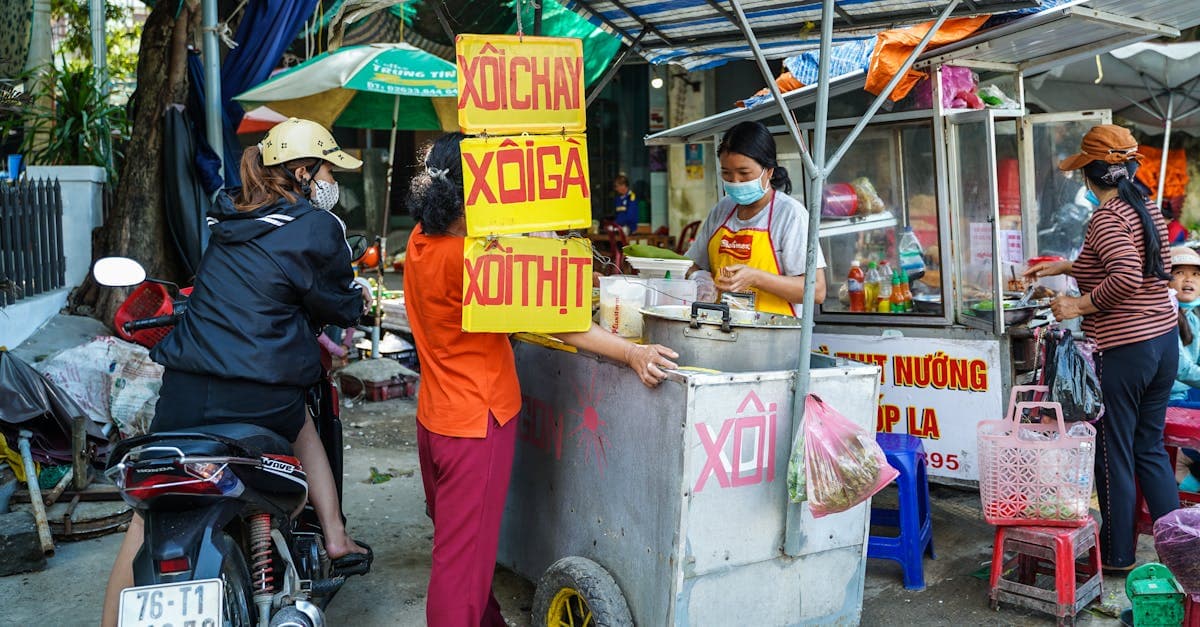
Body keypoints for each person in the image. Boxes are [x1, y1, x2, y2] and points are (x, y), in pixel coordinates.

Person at [101, 118, 372, 626]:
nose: (333, 181)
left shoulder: (228, 219)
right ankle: (335, 538)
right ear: (302, 170)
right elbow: (339, 302)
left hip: (184, 393)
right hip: (260, 395)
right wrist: (353, 302)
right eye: (329, 170)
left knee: (150, 515)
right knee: (304, 430)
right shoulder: (317, 226)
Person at [404, 133, 679, 626]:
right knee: (458, 567)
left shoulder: (423, 239)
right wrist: (632, 351)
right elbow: (562, 319)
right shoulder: (469, 263)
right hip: (477, 422)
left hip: (436, 420)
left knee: (465, 551)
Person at [1025, 124, 1181, 571]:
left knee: (1113, 454)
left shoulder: (1108, 216)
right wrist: (1072, 265)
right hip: (1162, 342)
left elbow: (1128, 275)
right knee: (1148, 447)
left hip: (1127, 349)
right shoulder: (1145, 207)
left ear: (1092, 175)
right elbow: (1146, 266)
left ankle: (1117, 555)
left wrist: (1078, 302)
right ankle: (1181, 550)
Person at [684, 120, 826, 315]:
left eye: (744, 173)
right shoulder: (722, 210)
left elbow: (817, 291)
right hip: (721, 331)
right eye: (726, 173)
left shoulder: (790, 215)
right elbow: (690, 264)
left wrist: (757, 278)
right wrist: (699, 277)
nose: (735, 181)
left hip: (774, 336)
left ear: (769, 171)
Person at [1167, 245, 1200, 493]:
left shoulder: (1193, 316)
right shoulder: (1165, 314)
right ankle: (1182, 459)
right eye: (1180, 273)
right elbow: (1182, 369)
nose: (1189, 279)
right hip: (1168, 399)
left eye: (1196, 274)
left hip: (1187, 394)